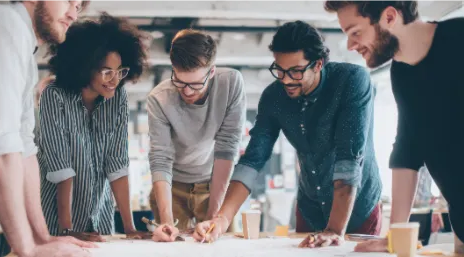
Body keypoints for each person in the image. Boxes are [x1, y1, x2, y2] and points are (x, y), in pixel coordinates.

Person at [193, 21, 382, 248]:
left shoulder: (351, 81)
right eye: (280, 70)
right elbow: (253, 160)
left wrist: (334, 230)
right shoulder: (274, 98)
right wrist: (221, 220)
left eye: (295, 71)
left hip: (357, 208)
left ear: (318, 64)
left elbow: (348, 160)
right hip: (310, 207)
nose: (286, 80)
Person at [0, 0, 95, 256]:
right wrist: (26, 248)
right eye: (69, 1)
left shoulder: (22, 44)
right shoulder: (0, 26)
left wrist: (41, 237)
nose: (74, 13)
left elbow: (24, 150)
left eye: (79, 6)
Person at [324, 0, 464, 254]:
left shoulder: (460, 37)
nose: (350, 45)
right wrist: (394, 234)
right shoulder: (402, 73)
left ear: (389, 17)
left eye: (355, 32)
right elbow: (407, 150)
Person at [38, 13, 148, 241]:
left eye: (120, 71)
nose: (115, 80)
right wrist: (67, 230)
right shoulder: (54, 96)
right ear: (85, 66)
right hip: (57, 224)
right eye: (107, 71)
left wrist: (129, 228)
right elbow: (61, 169)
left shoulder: (118, 98)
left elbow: (117, 164)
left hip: (101, 221)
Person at [147, 29, 246, 242]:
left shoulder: (231, 84)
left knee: (220, 245)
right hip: (172, 188)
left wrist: (214, 217)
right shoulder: (159, 99)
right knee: (170, 246)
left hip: (214, 184)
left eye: (195, 84)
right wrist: (166, 222)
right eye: (180, 82)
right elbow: (160, 158)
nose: (188, 91)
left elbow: (227, 148)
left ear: (211, 72)